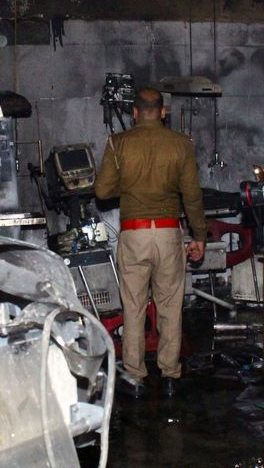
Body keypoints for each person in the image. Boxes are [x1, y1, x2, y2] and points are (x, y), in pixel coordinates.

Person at [94, 87, 207, 398]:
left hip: (133, 232)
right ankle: (170, 375)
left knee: (133, 308)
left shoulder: (118, 144)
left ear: (133, 113)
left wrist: (128, 184)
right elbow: (193, 196)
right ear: (162, 112)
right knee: (171, 306)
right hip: (169, 233)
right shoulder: (181, 145)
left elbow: (102, 192)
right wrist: (199, 235)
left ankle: (135, 377)